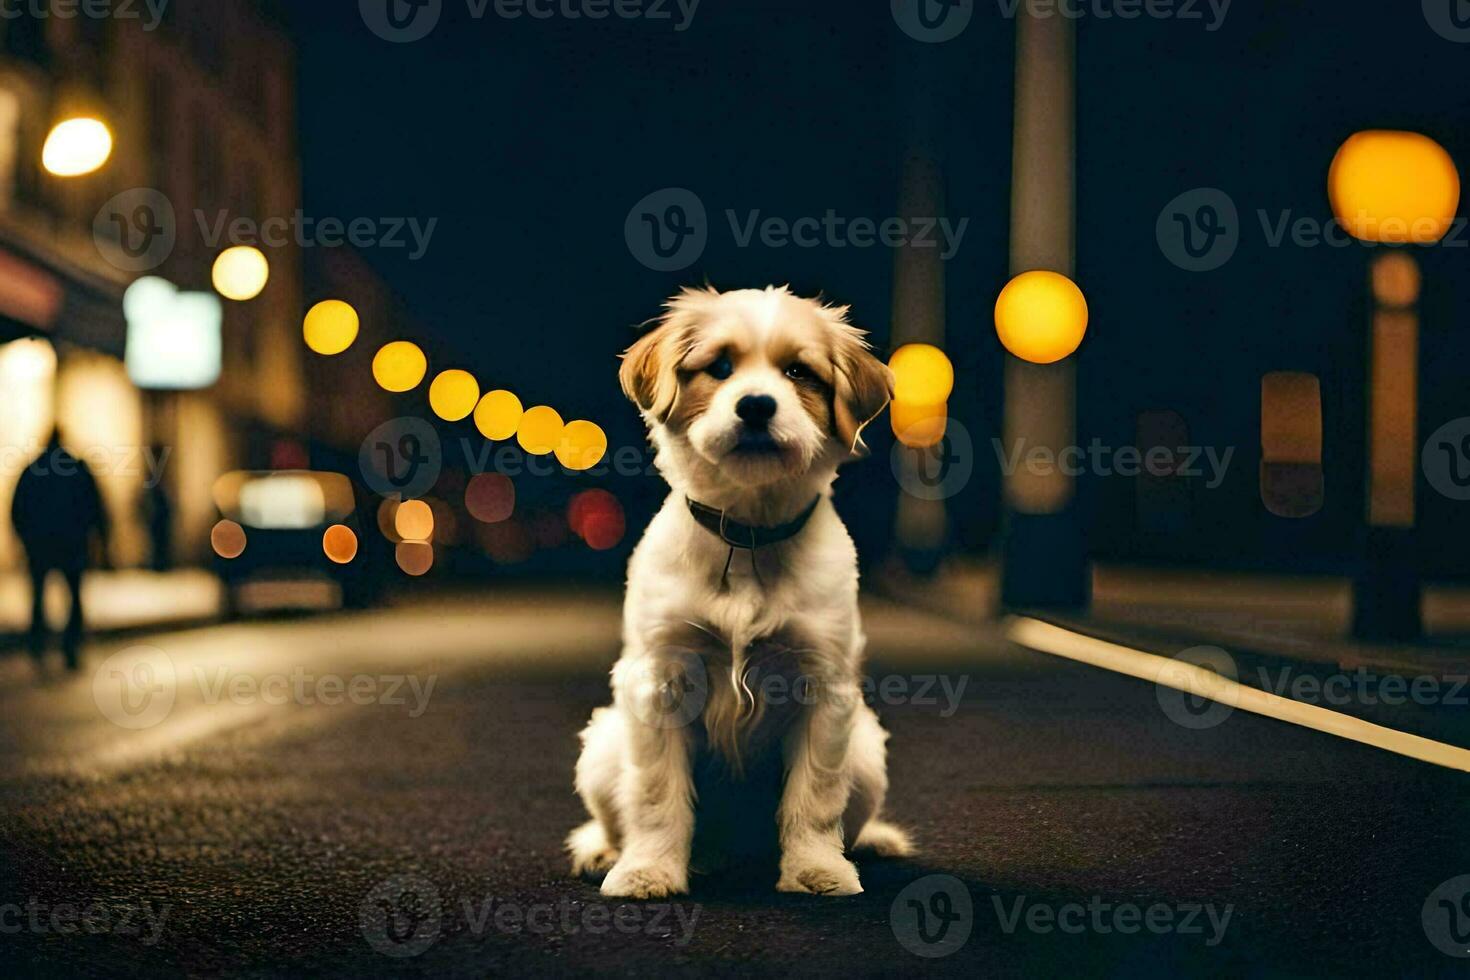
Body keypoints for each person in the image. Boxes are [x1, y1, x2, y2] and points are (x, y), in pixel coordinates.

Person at [10, 429, 108, 670]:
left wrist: (24, 538)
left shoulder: (33, 470)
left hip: (41, 544)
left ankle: (38, 646)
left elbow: (17, 508)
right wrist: (100, 539)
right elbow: (95, 506)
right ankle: (70, 648)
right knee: (73, 598)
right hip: (71, 544)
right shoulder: (76, 469)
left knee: (39, 597)